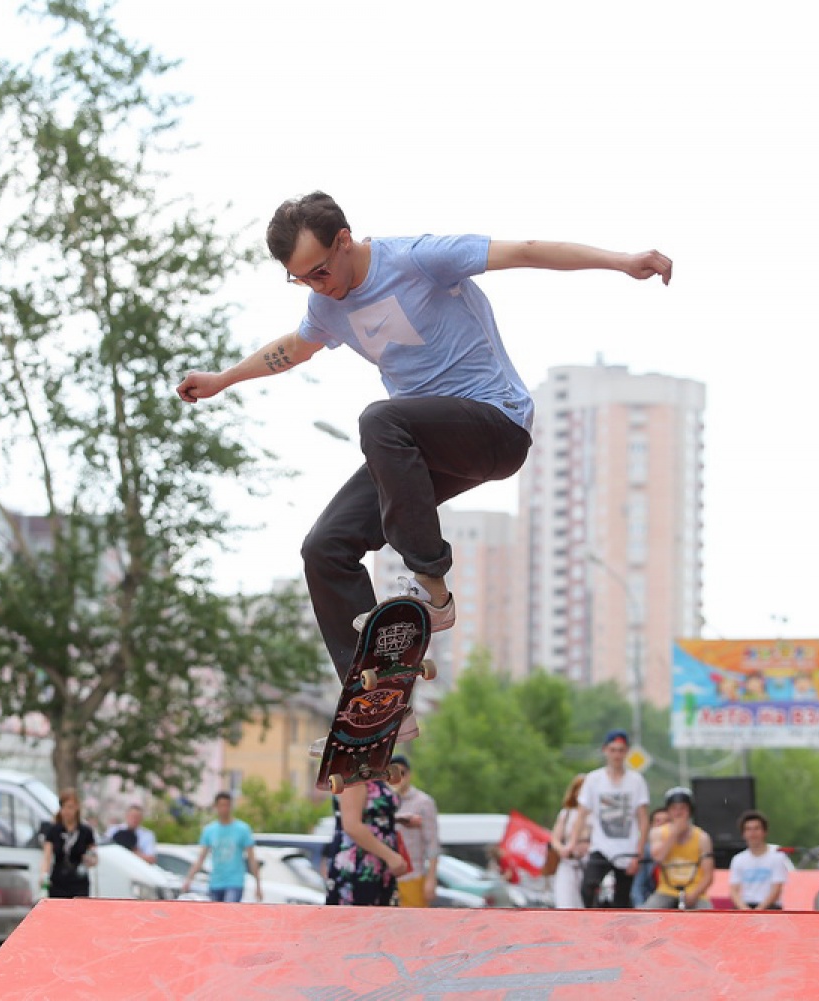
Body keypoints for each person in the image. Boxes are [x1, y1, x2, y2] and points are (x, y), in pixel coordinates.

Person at [176, 192, 673, 745]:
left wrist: (623, 261)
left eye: (321, 271)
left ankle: (434, 591)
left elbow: (528, 252)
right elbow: (294, 348)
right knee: (325, 547)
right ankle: (378, 700)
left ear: (345, 240)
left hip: (495, 425)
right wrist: (222, 379)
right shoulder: (327, 306)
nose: (319, 286)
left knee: (379, 421)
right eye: (302, 280)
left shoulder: (419, 259)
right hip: (423, 446)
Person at [574, 729, 650, 909]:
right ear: (605, 750)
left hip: (627, 849)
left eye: (621, 750)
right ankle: (591, 925)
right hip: (601, 846)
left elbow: (643, 819)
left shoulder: (636, 780)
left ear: (626, 752)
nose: (617, 755)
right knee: (588, 888)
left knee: (621, 901)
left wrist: (639, 853)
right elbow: (582, 814)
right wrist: (573, 842)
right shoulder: (594, 779)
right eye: (613, 750)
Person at [325, 778, 406, 907]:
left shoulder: (373, 773)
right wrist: (390, 856)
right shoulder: (355, 775)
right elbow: (352, 825)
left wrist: (400, 819)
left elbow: (370, 813)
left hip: (377, 866)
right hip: (359, 866)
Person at [640, 787, 715, 909]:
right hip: (666, 890)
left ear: (690, 811)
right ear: (668, 811)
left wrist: (694, 894)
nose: (678, 813)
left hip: (694, 890)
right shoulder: (658, 833)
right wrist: (674, 834)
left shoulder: (702, 837)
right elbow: (658, 857)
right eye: (674, 809)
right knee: (646, 913)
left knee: (708, 915)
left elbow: (708, 875)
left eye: (683, 809)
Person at [182, 792, 262, 903]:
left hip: (235, 881)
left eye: (227, 805)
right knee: (216, 916)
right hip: (216, 882)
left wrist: (258, 885)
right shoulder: (210, 830)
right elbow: (201, 858)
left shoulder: (242, 829)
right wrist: (189, 879)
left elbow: (252, 858)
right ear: (216, 807)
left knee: (229, 912)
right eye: (221, 805)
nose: (224, 809)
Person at [389, 755, 439, 908]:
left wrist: (431, 879)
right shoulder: (384, 801)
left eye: (401, 773)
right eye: (392, 773)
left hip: (413, 876)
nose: (398, 778)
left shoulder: (423, 802)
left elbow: (432, 842)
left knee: (414, 925)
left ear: (409, 774)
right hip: (387, 878)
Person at [729, 810, 792, 911]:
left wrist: (759, 910)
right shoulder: (738, 859)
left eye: (756, 829)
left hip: (770, 907)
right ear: (743, 834)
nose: (752, 833)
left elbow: (777, 888)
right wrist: (745, 909)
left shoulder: (777, 854)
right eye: (748, 829)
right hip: (745, 907)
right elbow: (734, 890)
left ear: (765, 832)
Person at [40, 789, 98, 899]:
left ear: (76, 808)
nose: (67, 811)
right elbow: (47, 857)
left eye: (70, 807)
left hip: (79, 881)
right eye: (64, 807)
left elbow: (94, 856)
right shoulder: (54, 830)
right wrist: (44, 875)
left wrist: (90, 860)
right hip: (58, 881)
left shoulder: (86, 831)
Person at [549, 774, 590, 909]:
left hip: (590, 865)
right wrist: (562, 849)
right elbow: (555, 838)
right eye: (580, 789)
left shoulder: (596, 814)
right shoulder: (566, 813)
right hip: (568, 863)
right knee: (565, 903)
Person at [630, 806, 670, 908]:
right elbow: (638, 886)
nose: (662, 825)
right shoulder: (644, 852)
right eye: (658, 821)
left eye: (666, 821)